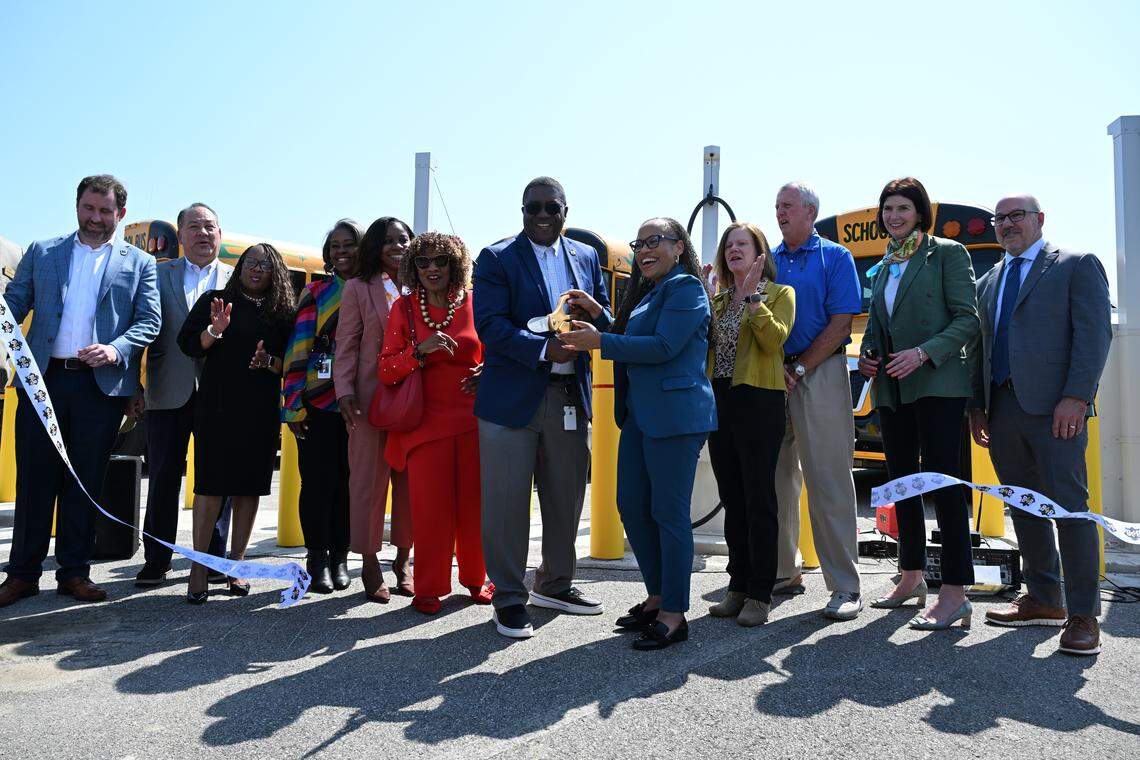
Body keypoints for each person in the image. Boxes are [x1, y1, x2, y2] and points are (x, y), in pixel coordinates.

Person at [0, 174, 161, 608]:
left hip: (99, 389)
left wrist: (115, 349)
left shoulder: (139, 263)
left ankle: (73, 573)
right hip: (43, 382)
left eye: (105, 211)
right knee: (34, 480)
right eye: (89, 209)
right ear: (77, 207)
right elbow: (16, 302)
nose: (95, 218)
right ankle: (21, 576)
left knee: (84, 481)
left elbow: (149, 321)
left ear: (119, 214)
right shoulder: (43, 251)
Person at [561, 218, 715, 650]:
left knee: (669, 514)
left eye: (655, 241)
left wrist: (599, 342)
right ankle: (657, 594)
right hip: (642, 417)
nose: (645, 250)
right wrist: (600, 316)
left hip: (676, 418)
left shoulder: (685, 288)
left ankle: (674, 614)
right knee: (631, 505)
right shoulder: (653, 292)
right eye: (639, 243)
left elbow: (664, 346)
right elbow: (635, 336)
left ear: (679, 247)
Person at [969, 194, 1111, 655]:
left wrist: (1077, 396)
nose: (1007, 225)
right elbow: (981, 348)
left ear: (1039, 220)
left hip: (1057, 411)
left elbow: (1094, 335)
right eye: (1000, 218)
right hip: (1002, 410)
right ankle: (1045, 598)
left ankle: (1084, 616)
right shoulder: (988, 280)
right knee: (1024, 506)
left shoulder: (1075, 264)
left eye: (1016, 216)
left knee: (1070, 511)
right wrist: (978, 406)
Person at [473, 176, 613, 639]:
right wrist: (542, 350)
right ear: (522, 211)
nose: (542, 215)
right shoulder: (495, 258)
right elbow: (490, 326)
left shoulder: (588, 257)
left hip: (569, 395)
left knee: (565, 495)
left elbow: (605, 316)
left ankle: (554, 583)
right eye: (533, 208)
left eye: (551, 207)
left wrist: (595, 320)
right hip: (512, 399)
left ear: (566, 211)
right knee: (507, 504)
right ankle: (509, 598)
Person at [857, 178, 980, 630]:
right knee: (901, 481)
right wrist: (870, 356)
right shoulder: (886, 262)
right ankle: (910, 575)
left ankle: (954, 591)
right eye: (887, 208)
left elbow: (969, 320)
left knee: (945, 487)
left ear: (920, 212)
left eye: (903, 208)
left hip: (938, 385)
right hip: (892, 387)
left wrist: (923, 352)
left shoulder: (947, 253)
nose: (893, 216)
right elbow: (877, 326)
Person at [177, 244, 295, 603]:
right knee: (210, 487)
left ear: (275, 273)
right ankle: (199, 569)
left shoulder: (282, 312)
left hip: (258, 409)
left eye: (266, 265)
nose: (257, 269)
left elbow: (289, 362)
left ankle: (237, 566)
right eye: (251, 262)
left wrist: (268, 361)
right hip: (217, 406)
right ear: (240, 266)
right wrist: (214, 331)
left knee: (248, 488)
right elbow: (188, 345)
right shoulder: (216, 300)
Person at [380, 232, 489, 614]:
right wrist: (419, 352)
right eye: (423, 262)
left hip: (475, 421)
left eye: (440, 260)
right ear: (412, 266)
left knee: (474, 507)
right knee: (431, 511)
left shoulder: (477, 303)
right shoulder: (405, 308)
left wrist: (485, 371)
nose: (431, 268)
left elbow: (496, 353)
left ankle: (476, 578)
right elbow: (386, 370)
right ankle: (429, 586)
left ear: (455, 263)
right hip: (425, 426)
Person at [771, 181, 864, 620]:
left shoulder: (836, 257)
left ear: (810, 211)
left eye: (787, 206)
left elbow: (842, 322)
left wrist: (802, 366)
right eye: (777, 207)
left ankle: (845, 587)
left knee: (828, 481)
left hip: (819, 373)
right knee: (775, 479)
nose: (779, 212)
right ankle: (782, 573)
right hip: (772, 377)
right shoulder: (766, 260)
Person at [134, 202, 234, 588]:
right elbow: (141, 330)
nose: (203, 233)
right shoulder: (157, 276)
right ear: (180, 236)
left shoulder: (236, 278)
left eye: (210, 226)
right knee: (162, 478)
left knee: (216, 479)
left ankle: (213, 559)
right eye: (194, 227)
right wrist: (134, 386)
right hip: (167, 392)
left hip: (221, 396)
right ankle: (156, 560)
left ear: (220, 235)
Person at [704, 222, 795, 627]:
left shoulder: (779, 294)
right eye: (729, 245)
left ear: (760, 252)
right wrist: (706, 303)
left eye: (742, 244)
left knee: (759, 498)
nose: (733, 250)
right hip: (720, 400)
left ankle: (761, 592)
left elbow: (774, 342)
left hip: (760, 400)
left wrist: (754, 300)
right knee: (733, 497)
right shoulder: (720, 300)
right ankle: (737, 585)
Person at [334, 217, 415, 602]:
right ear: (375, 248)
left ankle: (403, 560)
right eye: (387, 241)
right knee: (367, 482)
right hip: (369, 400)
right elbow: (346, 344)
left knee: (411, 483)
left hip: (417, 400)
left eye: (403, 239)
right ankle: (368, 561)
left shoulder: (424, 285)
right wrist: (344, 391)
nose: (396, 246)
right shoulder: (358, 288)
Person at [283, 220, 361, 594]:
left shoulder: (375, 290)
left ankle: (340, 557)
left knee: (349, 484)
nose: (342, 252)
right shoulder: (315, 291)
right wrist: (294, 404)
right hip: (317, 401)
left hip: (362, 404)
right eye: (336, 246)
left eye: (350, 244)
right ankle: (316, 558)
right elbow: (298, 347)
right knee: (316, 484)